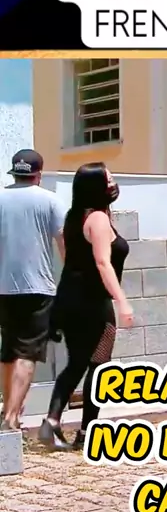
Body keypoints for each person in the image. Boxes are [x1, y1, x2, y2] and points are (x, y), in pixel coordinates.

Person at [38, 162, 133, 450]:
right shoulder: (98, 220)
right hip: (94, 303)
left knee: (77, 363)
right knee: (99, 367)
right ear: (96, 187)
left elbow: (70, 258)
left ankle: (52, 420)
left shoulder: (75, 216)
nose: (113, 184)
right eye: (108, 180)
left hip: (70, 300)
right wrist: (122, 301)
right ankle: (87, 432)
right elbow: (103, 263)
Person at [0, 149, 66, 431]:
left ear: (14, 173)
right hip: (38, 288)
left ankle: (8, 409)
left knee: (8, 351)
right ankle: (10, 417)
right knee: (27, 353)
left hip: (3, 288)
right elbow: (64, 243)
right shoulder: (50, 200)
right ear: (38, 174)